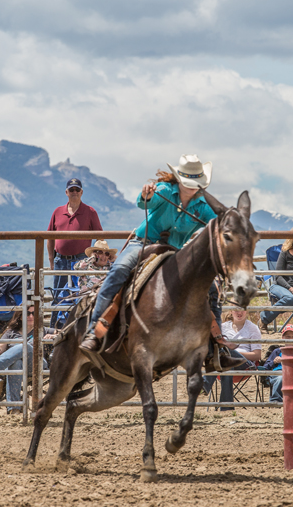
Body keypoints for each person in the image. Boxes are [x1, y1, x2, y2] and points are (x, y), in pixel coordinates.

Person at [80, 154, 225, 362]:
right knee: (119, 270)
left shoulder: (203, 206)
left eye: (196, 183)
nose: (193, 187)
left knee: (210, 288)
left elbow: (218, 223)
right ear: (179, 180)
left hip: (173, 252)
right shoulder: (165, 190)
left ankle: (215, 347)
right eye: (189, 182)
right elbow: (145, 201)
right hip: (143, 244)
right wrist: (146, 195)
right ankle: (94, 331)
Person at [0, 305, 55, 414]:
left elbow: (65, 331)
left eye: (34, 313)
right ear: (20, 316)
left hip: (37, 366)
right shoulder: (10, 332)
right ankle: (14, 409)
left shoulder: (44, 330)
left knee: (24, 346)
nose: (31, 316)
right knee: (16, 364)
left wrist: (53, 336)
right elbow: (0, 346)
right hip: (17, 367)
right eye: (27, 313)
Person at [47, 178, 103, 326]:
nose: (74, 192)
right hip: (61, 260)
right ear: (66, 192)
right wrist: (51, 260)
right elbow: (49, 237)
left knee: (82, 295)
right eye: (71, 190)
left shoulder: (90, 212)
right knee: (58, 295)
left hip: (82, 261)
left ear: (81, 192)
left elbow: (100, 236)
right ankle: (53, 333)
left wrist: (95, 260)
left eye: (77, 190)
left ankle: (80, 329)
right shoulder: (57, 211)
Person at [202, 309, 262, 410]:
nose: (239, 313)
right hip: (224, 363)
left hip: (245, 364)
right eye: (236, 310)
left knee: (224, 353)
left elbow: (257, 355)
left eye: (242, 310)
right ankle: (227, 408)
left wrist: (234, 353)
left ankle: (205, 383)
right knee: (227, 363)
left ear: (247, 311)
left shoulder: (253, 328)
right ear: (231, 311)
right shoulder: (223, 327)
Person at [260, 324, 293, 403]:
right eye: (288, 337)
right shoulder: (277, 351)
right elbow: (265, 367)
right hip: (278, 373)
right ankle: (275, 400)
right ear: (283, 338)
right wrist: (274, 362)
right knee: (280, 378)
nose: (290, 339)